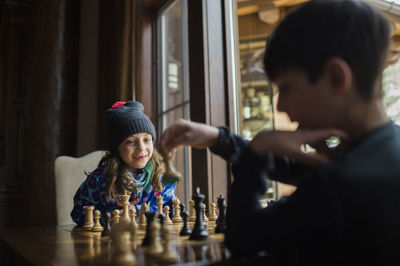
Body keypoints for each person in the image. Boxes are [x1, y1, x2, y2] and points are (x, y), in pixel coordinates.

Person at [160, 0, 400, 265]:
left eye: (285, 88)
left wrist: (258, 149)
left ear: (335, 78)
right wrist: (219, 138)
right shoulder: (377, 155)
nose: (280, 106)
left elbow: (242, 237)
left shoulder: (340, 184)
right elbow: (302, 169)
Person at [71, 101, 176, 226]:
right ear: (117, 147)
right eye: (131, 142)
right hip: (109, 243)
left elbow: (172, 209)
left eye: (147, 140)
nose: (141, 148)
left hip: (151, 241)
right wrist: (112, 215)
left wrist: (139, 211)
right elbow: (77, 213)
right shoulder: (99, 179)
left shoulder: (162, 176)